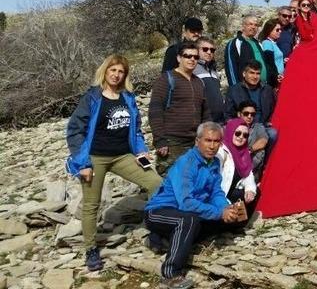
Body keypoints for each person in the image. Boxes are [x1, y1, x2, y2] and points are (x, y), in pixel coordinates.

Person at [66, 54, 163, 272]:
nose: (117, 75)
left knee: (156, 183)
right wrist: (83, 163)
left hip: (122, 155)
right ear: (105, 71)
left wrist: (141, 151)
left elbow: (136, 129)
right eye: (113, 70)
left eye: (121, 71)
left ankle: (156, 229)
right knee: (92, 204)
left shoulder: (127, 97)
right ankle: (91, 249)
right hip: (95, 157)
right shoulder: (92, 97)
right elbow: (74, 130)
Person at [145, 122, 244, 289]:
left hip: (184, 213)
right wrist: (219, 213)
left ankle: (160, 239)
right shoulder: (187, 163)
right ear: (197, 141)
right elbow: (187, 203)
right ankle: (170, 274)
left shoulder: (213, 163)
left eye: (216, 141)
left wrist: (225, 209)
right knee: (189, 221)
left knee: (227, 220)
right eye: (208, 140)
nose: (212, 146)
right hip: (160, 211)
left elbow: (216, 193)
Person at [149, 42, 211, 175]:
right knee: (169, 186)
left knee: (193, 182)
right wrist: (160, 141)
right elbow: (155, 111)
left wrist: (207, 136)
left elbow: (205, 113)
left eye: (195, 57)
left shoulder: (199, 82)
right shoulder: (166, 79)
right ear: (179, 58)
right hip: (172, 143)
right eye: (187, 56)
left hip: (194, 143)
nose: (192, 59)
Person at [217, 119, 257, 205]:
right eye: (238, 133)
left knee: (254, 194)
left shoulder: (244, 153)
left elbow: (248, 175)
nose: (241, 137)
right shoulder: (220, 152)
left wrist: (250, 190)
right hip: (219, 195)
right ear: (230, 132)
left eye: (245, 135)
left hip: (231, 191)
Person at [224, 61, 277, 126]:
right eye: (251, 73)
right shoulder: (234, 91)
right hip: (242, 128)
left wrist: (270, 122)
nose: (255, 77)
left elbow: (274, 110)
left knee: (273, 133)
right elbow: (228, 115)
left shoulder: (267, 90)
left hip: (264, 126)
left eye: (258, 73)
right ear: (244, 74)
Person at [224, 15, 267, 87]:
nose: (253, 27)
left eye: (256, 25)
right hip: (245, 89)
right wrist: (236, 90)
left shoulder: (258, 44)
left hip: (262, 88)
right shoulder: (235, 43)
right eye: (250, 24)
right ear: (243, 26)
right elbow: (231, 68)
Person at [193, 37, 225, 123]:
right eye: (205, 49)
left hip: (219, 120)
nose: (209, 52)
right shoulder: (192, 70)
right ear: (196, 50)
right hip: (203, 121)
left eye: (212, 50)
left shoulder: (214, 72)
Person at [258, 18, 284, 87]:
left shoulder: (273, 43)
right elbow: (269, 63)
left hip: (279, 78)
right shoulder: (267, 43)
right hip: (274, 80)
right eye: (277, 30)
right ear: (269, 31)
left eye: (280, 29)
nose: (280, 31)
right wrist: (276, 77)